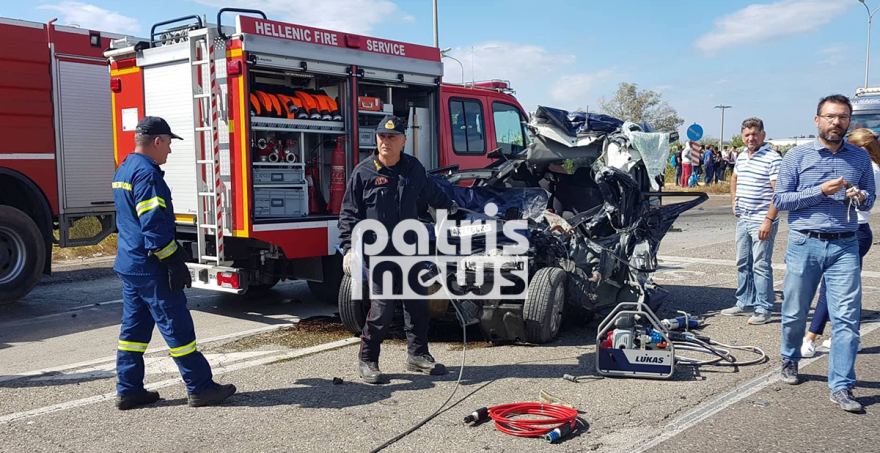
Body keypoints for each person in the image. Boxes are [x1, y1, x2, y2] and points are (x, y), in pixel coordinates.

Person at [111, 117, 236, 410]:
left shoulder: (125, 168)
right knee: (177, 328)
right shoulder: (147, 175)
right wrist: (173, 261)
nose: (169, 151)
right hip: (151, 266)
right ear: (157, 141)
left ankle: (129, 390)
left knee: (133, 333)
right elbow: (153, 226)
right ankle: (201, 387)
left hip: (130, 264)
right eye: (168, 143)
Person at [338, 115, 459, 384]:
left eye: (392, 137)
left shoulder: (413, 168)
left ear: (404, 140)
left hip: (411, 249)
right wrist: (349, 248)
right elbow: (348, 213)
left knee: (418, 304)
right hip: (379, 252)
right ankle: (368, 360)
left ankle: (417, 355)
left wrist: (448, 207)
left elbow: (431, 192)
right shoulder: (364, 172)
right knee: (382, 308)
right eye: (382, 137)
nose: (386, 142)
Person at [773, 95, 875, 412]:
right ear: (817, 120)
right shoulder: (796, 156)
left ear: (849, 122)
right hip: (805, 242)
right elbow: (782, 199)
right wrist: (821, 191)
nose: (836, 122)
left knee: (847, 318)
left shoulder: (859, 159)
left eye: (843, 117)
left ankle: (842, 386)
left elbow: (869, 200)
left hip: (846, 242)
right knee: (794, 312)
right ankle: (789, 357)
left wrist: (859, 195)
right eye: (830, 116)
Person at [801, 127, 880, 357]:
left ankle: (810, 337)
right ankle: (849, 337)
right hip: (857, 230)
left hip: (854, 230)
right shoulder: (872, 168)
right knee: (847, 290)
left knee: (830, 288)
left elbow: (856, 200)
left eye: (852, 148)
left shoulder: (869, 169)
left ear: (864, 149)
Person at [722, 118, 782, 325]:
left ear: (763, 135)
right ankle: (744, 301)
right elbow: (734, 179)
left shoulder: (772, 159)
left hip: (761, 220)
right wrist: (733, 201)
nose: (751, 138)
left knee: (761, 265)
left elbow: (779, 193)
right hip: (744, 218)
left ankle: (763, 307)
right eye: (747, 134)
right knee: (742, 262)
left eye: (755, 134)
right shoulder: (740, 157)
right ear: (742, 136)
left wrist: (768, 220)